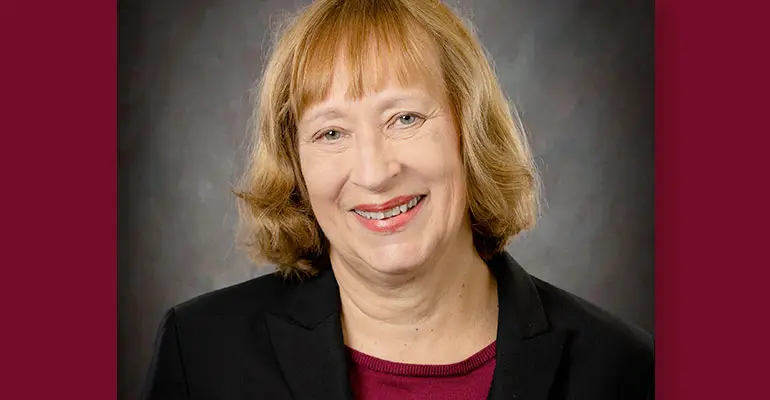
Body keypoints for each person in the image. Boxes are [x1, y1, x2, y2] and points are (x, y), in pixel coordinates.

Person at [141, 0, 654, 399]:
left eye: (404, 119)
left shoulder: (623, 371)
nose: (374, 172)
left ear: (468, 132)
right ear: (294, 166)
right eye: (331, 133)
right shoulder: (202, 354)